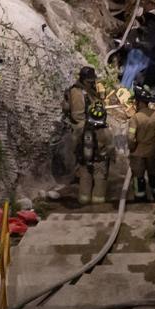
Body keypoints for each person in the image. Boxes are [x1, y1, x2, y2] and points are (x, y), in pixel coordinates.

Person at [63, 65, 109, 204]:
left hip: (89, 131)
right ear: (84, 80)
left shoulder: (87, 91)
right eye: (90, 81)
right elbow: (78, 117)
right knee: (95, 165)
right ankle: (93, 200)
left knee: (86, 166)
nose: (92, 83)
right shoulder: (77, 93)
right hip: (85, 132)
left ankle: (87, 199)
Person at [128, 85, 155, 202]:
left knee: (138, 177)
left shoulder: (135, 119)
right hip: (153, 151)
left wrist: (132, 148)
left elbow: (130, 138)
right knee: (154, 175)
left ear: (139, 102)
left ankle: (140, 199)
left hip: (138, 153)